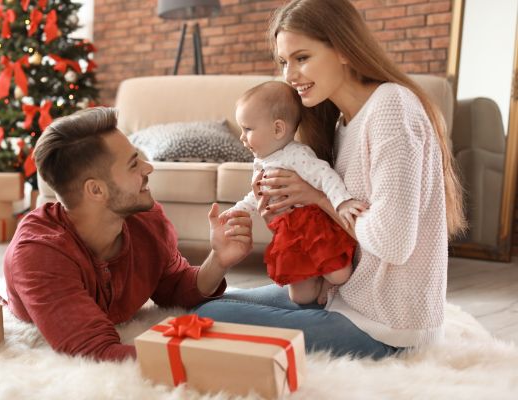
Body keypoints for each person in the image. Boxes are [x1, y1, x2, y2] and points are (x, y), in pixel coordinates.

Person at [194, 0, 465, 359]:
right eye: (283, 62)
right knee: (215, 302)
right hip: (343, 298)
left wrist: (319, 198)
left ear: (343, 49)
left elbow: (393, 243)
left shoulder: (391, 107)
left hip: (388, 327)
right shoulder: (340, 123)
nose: (289, 75)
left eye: (302, 58)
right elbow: (331, 235)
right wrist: (281, 211)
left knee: (210, 316)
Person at [3, 107, 253, 361]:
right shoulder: (39, 254)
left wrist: (219, 259)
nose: (148, 168)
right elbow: (96, 353)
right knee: (234, 319)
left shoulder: (146, 219)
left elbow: (175, 288)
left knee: (286, 299)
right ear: (96, 190)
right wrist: (216, 363)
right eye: (134, 164)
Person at [229, 81, 367, 305]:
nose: (242, 137)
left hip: (312, 226)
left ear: (278, 129)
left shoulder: (296, 155)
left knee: (339, 273)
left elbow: (325, 175)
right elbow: (256, 196)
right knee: (299, 297)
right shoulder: (261, 163)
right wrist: (238, 211)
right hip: (289, 234)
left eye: (248, 129)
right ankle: (315, 284)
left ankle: (328, 286)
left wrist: (343, 203)